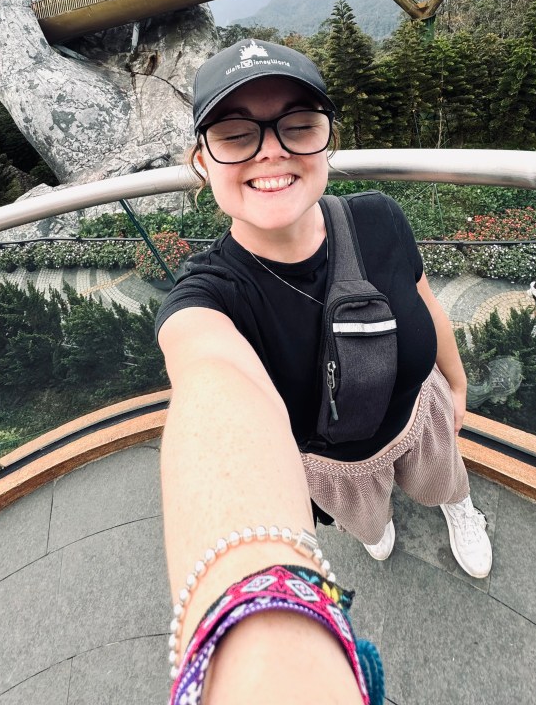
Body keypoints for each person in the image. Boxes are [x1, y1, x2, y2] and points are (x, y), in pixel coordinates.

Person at [156, 39, 492, 698]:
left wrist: (454, 384)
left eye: (297, 124)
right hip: (333, 468)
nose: (271, 149)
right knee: (372, 529)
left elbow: (425, 305)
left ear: (326, 140)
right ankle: (382, 518)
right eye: (235, 133)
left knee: (446, 482)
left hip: (417, 416)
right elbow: (210, 384)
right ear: (202, 162)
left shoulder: (378, 219)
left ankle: (459, 508)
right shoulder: (208, 299)